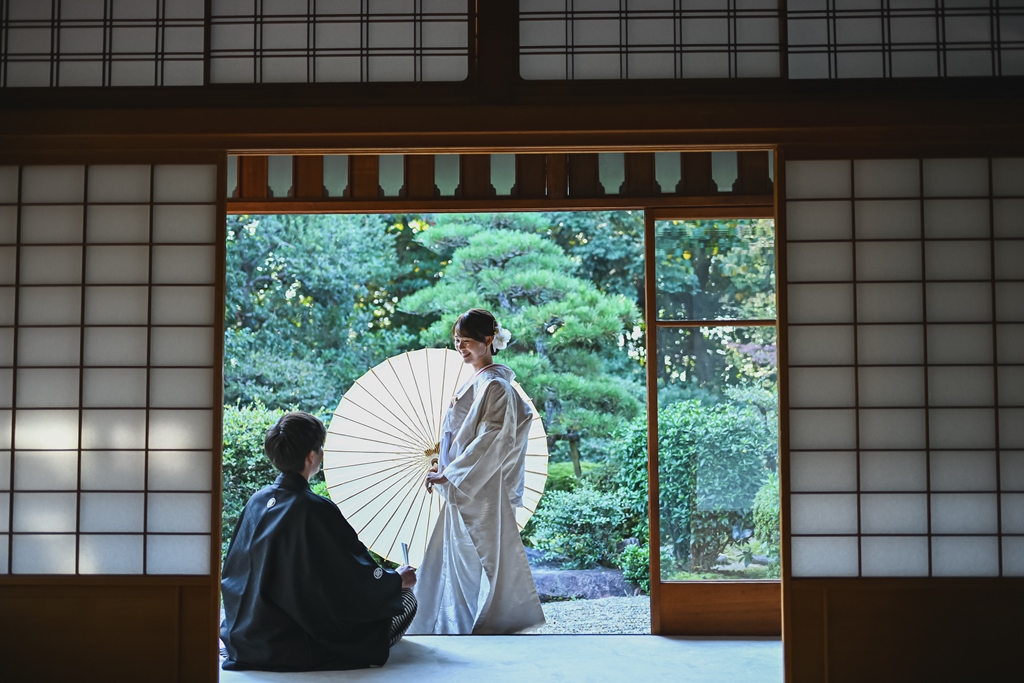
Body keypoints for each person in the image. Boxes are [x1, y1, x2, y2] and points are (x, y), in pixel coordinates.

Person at [220, 411, 418, 671]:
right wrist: (395, 580)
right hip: (294, 646)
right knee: (407, 600)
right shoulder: (314, 509)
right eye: (320, 448)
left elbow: (234, 573)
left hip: (244, 639)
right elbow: (355, 576)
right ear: (311, 456)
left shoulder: (257, 502)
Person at [408, 308, 545, 634]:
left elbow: (494, 438)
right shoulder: (482, 382)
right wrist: (443, 465)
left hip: (482, 491)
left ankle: (481, 624)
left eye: (467, 341)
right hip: (469, 486)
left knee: (477, 559)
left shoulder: (495, 386)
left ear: (488, 341)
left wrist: (453, 472)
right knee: (457, 559)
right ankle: (457, 624)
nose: (460, 348)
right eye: (457, 341)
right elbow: (466, 438)